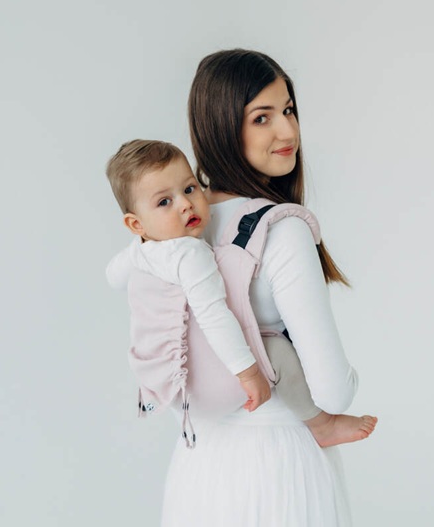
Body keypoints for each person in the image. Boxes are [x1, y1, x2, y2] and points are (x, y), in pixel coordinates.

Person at [109, 48, 377, 526]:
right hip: (279, 466)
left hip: (199, 465)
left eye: (288, 110)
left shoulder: (167, 230)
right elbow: (334, 393)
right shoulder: (281, 229)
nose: (288, 132)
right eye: (262, 117)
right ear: (221, 126)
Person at [105, 138, 375, 449]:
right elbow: (215, 316)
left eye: (190, 188)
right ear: (135, 223)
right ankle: (322, 424)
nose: (185, 204)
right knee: (277, 351)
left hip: (172, 391)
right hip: (214, 388)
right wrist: (248, 374)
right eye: (164, 202)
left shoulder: (139, 251)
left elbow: (113, 277)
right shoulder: (190, 255)